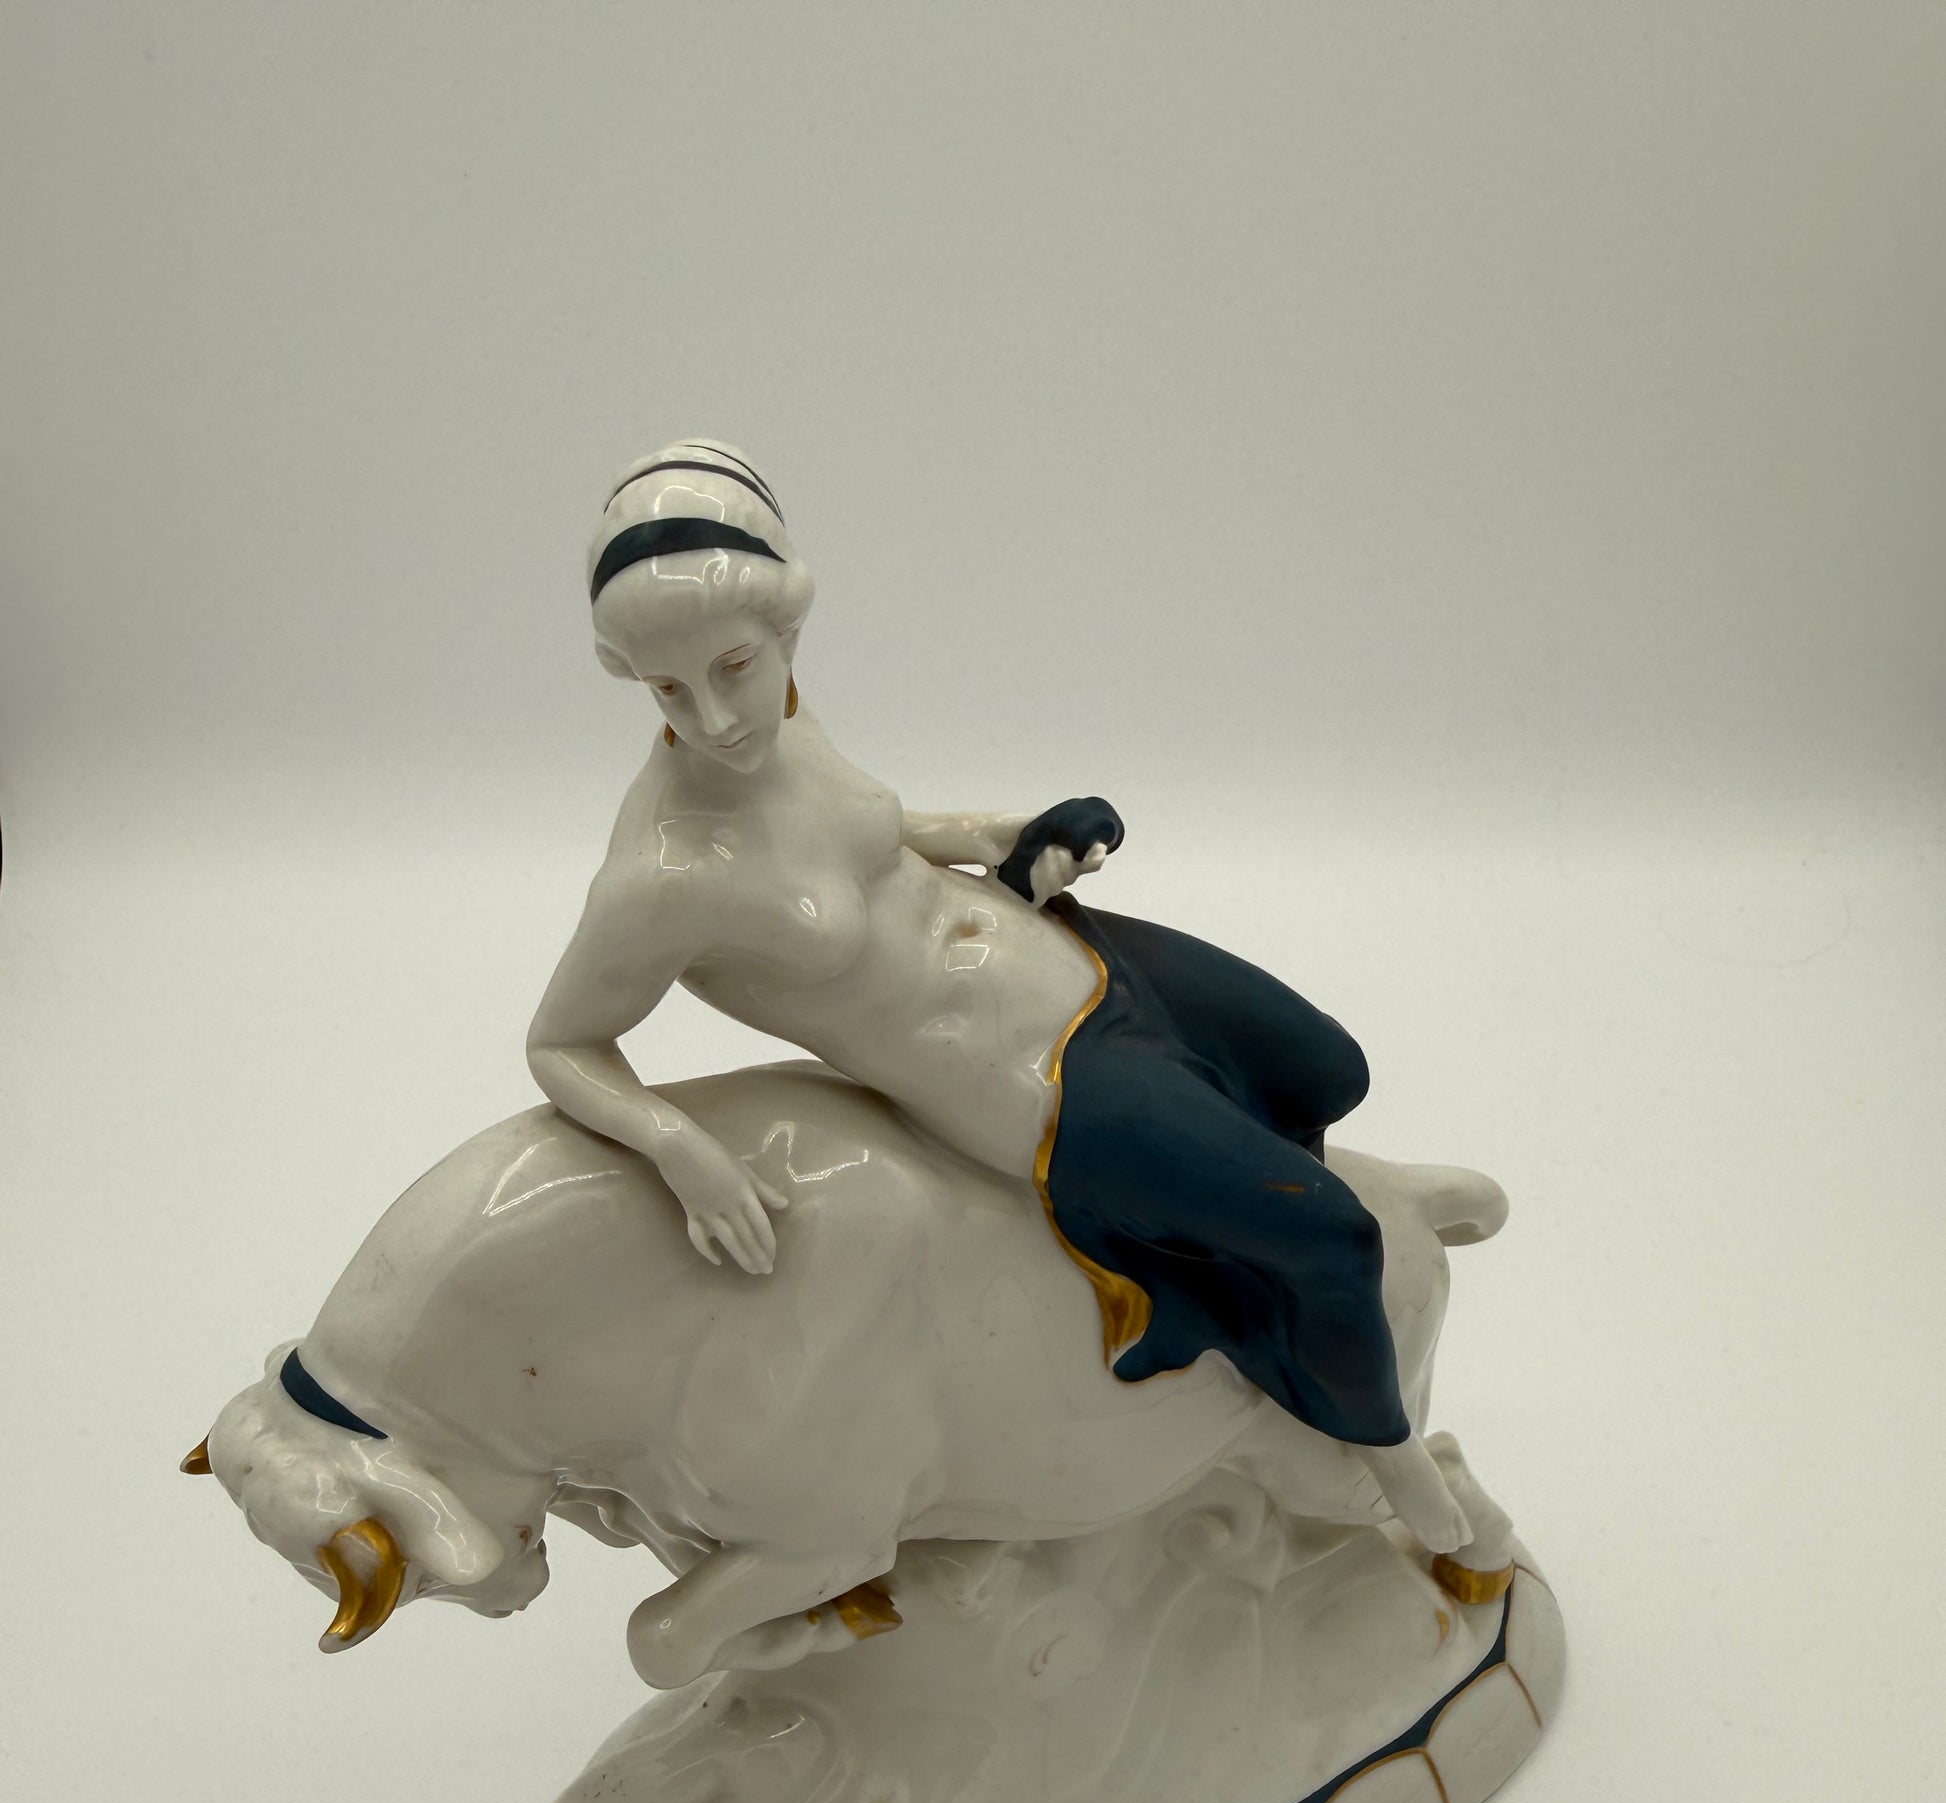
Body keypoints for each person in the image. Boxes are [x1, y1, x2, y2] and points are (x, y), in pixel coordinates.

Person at [526, 441, 1469, 1552]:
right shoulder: (663, 874)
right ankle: (1386, 1456)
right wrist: (680, 1150)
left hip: (1073, 953)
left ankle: (1248, 1239)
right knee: (1333, 1240)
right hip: (1039, 1085)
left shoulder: (787, 720)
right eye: (668, 691)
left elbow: (889, 835)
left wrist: (1006, 833)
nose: (716, 717)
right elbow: (561, 1043)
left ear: (785, 632)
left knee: (1328, 1069)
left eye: (733, 666)